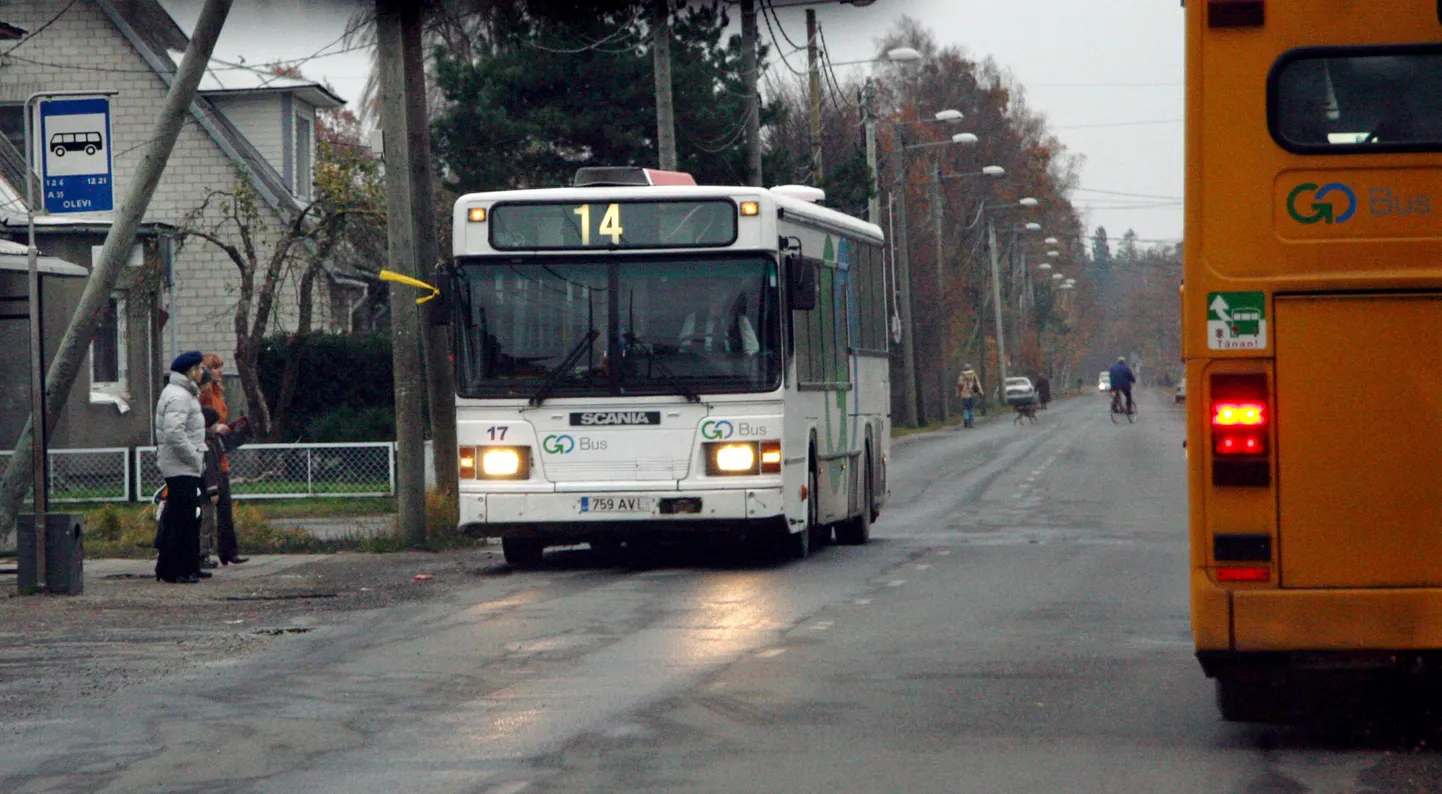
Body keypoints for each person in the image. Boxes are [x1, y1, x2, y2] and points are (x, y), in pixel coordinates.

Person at [154, 351, 207, 584]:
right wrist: (194, 457)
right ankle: (177, 569)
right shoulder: (180, 396)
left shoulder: (183, 394)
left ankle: (186, 566)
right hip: (181, 466)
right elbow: (174, 433)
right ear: (190, 371)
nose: (202, 371)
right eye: (199, 367)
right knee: (182, 519)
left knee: (186, 517)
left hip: (181, 465)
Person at [200, 353, 247, 565]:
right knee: (211, 505)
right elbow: (202, 420)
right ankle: (205, 551)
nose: (220, 371)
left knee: (225, 505)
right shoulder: (206, 395)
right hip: (211, 455)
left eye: (220, 367)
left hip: (221, 454)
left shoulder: (219, 394)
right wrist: (214, 427)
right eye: (215, 367)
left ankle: (229, 551)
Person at [678, 290, 758, 355]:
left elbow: (752, 350)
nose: (719, 304)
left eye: (723, 301)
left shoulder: (740, 320)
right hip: (700, 366)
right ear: (709, 300)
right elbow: (684, 348)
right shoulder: (694, 318)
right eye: (715, 300)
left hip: (732, 370)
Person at [955, 363, 983, 429]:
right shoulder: (973, 375)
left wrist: (957, 393)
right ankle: (971, 423)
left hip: (964, 395)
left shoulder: (961, 376)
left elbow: (959, 385)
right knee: (971, 409)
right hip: (972, 394)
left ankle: (966, 418)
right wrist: (981, 392)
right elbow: (977, 384)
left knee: (966, 408)